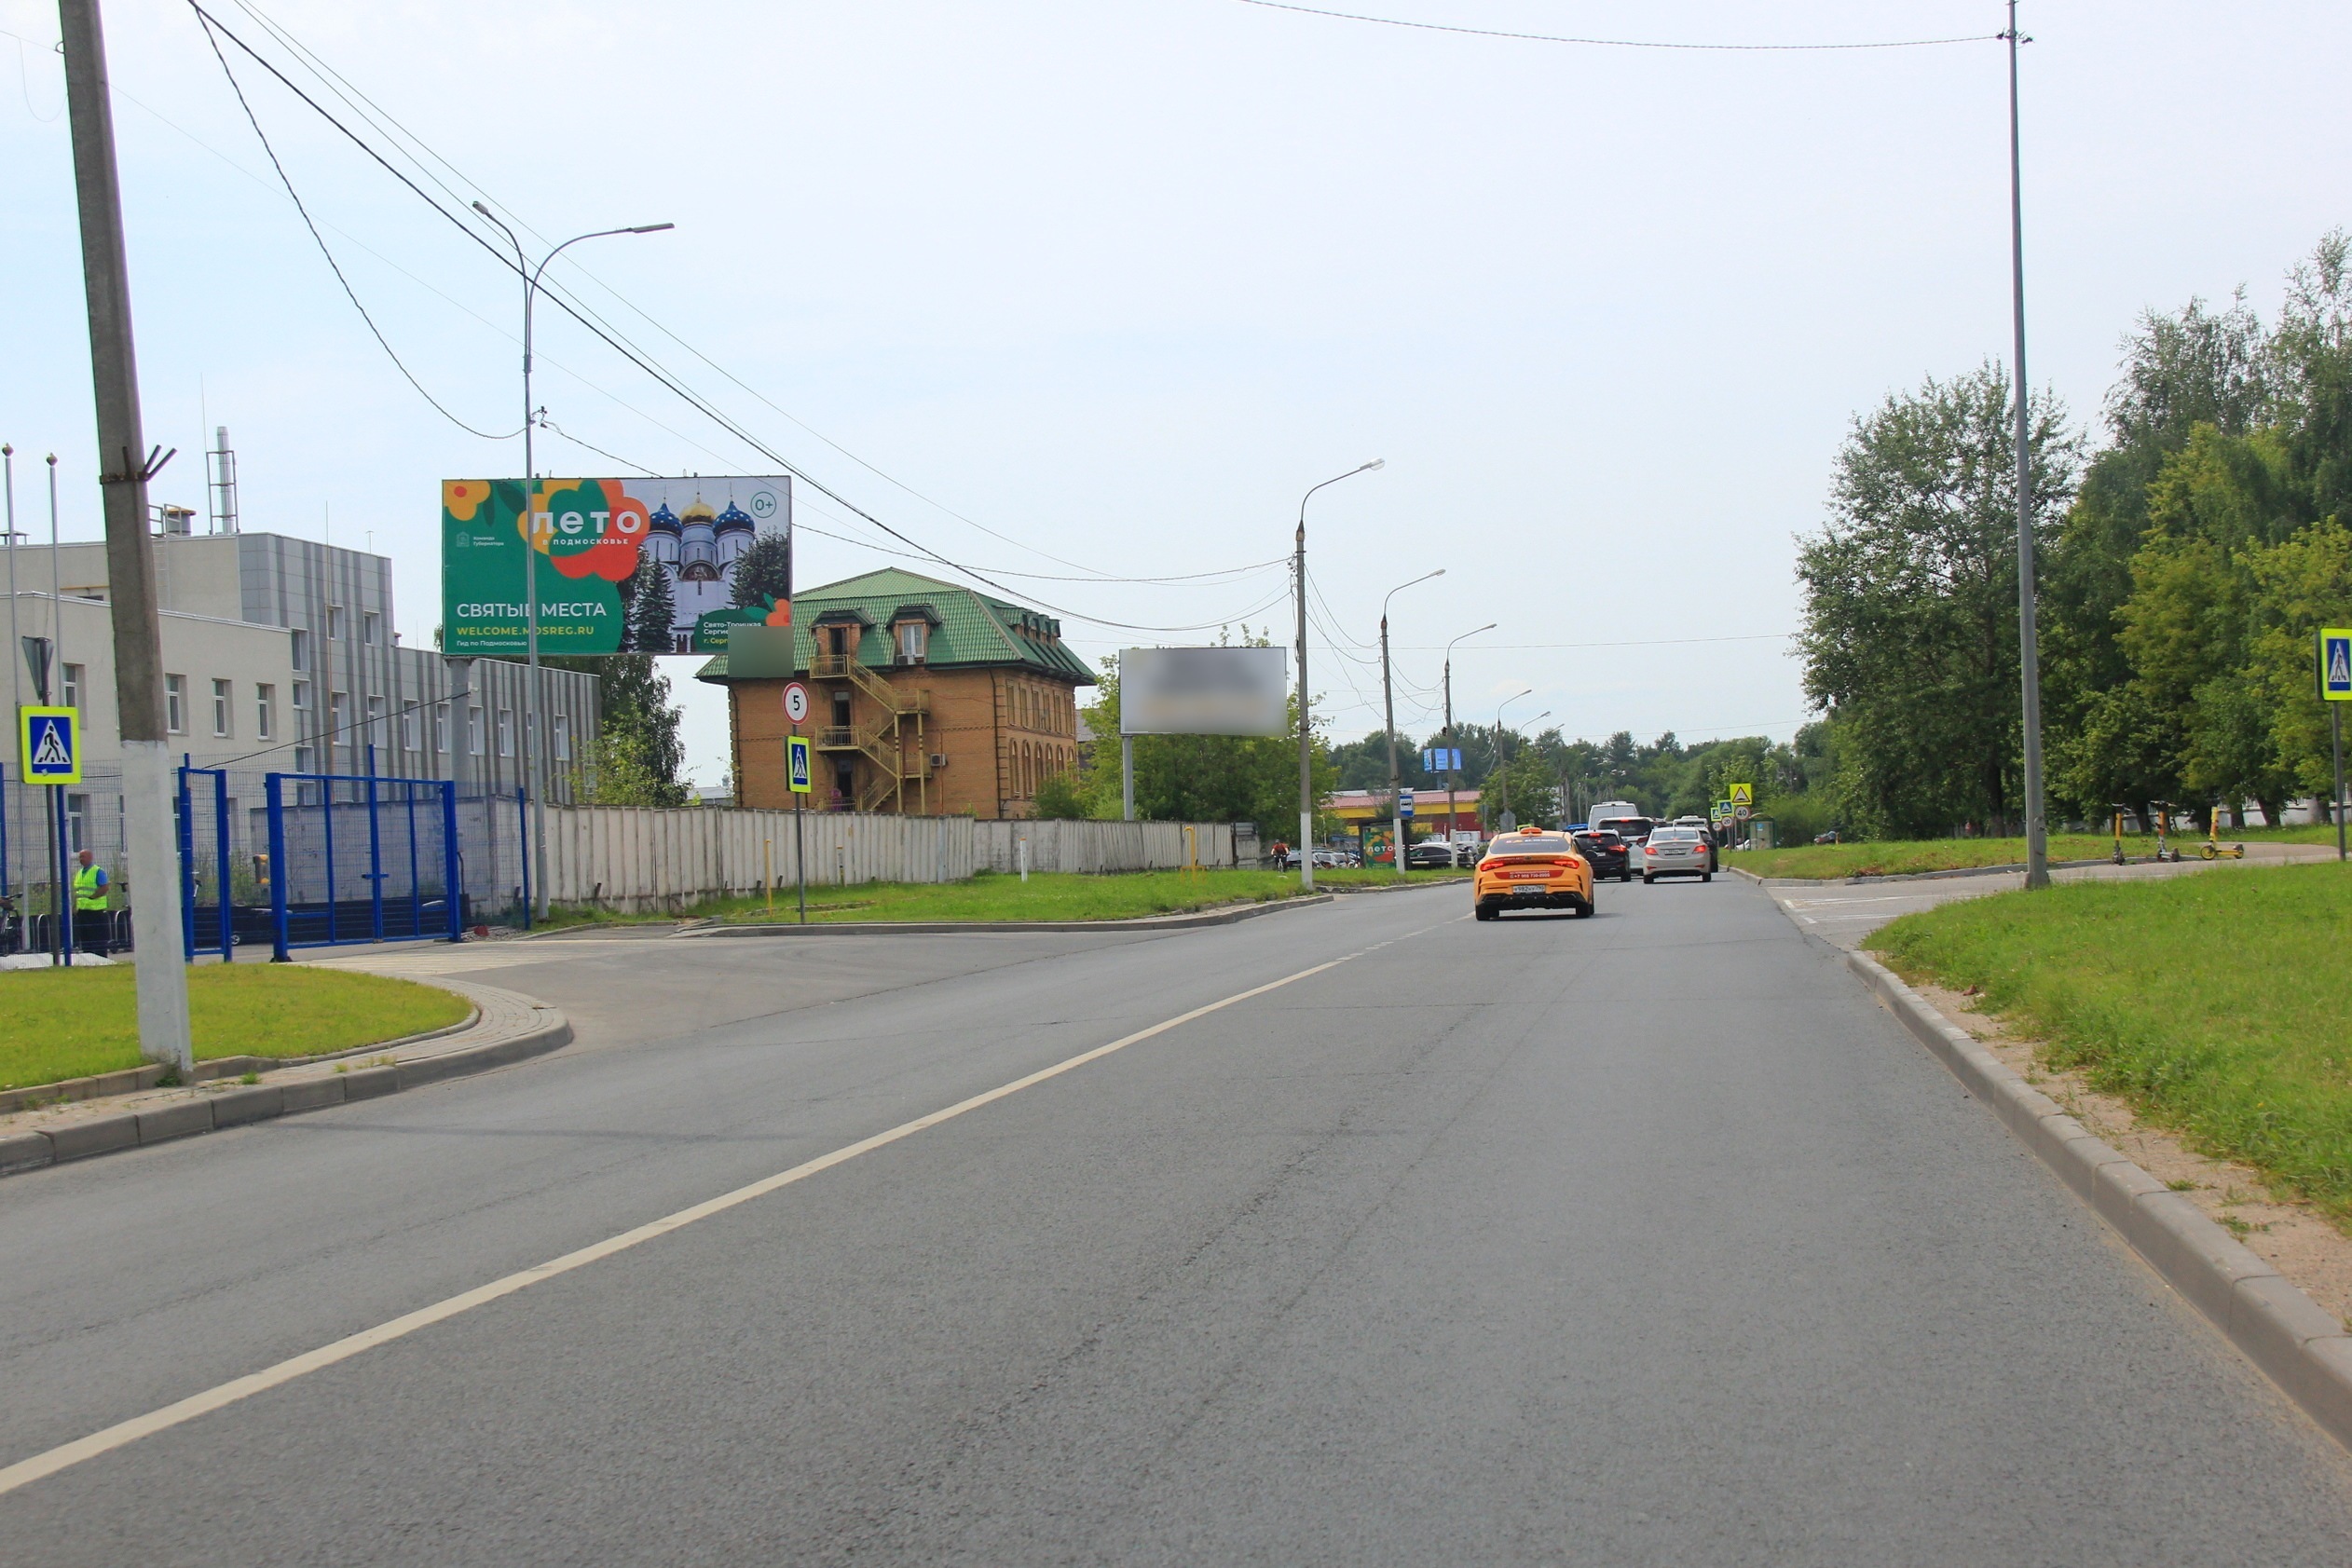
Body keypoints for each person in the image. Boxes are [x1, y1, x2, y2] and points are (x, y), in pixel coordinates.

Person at [72, 848, 111, 958]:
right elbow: (78, 892)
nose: (81, 859)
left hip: (96, 912)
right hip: (83, 912)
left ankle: (101, 960)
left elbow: (105, 887)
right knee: (85, 939)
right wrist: (75, 906)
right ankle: (88, 959)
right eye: (80, 857)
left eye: (83, 857)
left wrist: (93, 897)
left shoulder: (97, 871)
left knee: (98, 939)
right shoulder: (79, 873)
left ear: (90, 858)